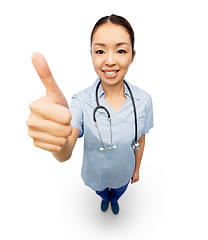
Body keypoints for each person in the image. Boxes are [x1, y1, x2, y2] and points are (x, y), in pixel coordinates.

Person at [26, 14, 153, 215]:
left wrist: (136, 170)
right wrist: (58, 141)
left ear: (132, 56)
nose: (110, 61)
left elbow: (141, 140)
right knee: (102, 192)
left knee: (118, 191)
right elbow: (66, 151)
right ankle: (104, 198)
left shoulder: (144, 100)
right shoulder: (81, 101)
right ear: (92, 54)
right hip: (97, 175)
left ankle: (115, 199)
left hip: (123, 172)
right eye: (100, 51)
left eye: (120, 50)